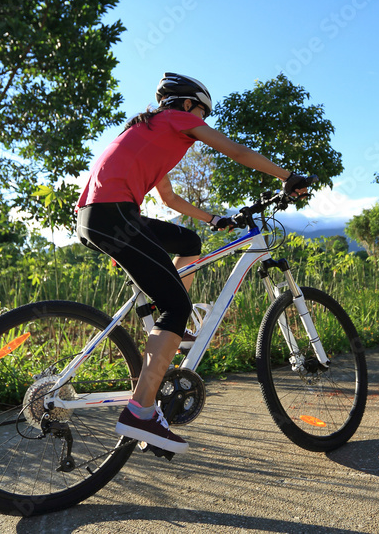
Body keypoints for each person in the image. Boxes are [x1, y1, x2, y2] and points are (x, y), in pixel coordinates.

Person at [76, 72, 310, 454]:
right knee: (176, 305)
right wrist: (288, 176)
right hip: (114, 216)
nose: (203, 120)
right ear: (187, 105)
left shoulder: (153, 131)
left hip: (99, 216)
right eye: (202, 112)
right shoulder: (179, 120)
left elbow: (168, 199)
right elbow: (237, 151)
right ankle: (141, 410)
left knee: (189, 242)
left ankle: (168, 328)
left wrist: (214, 219)